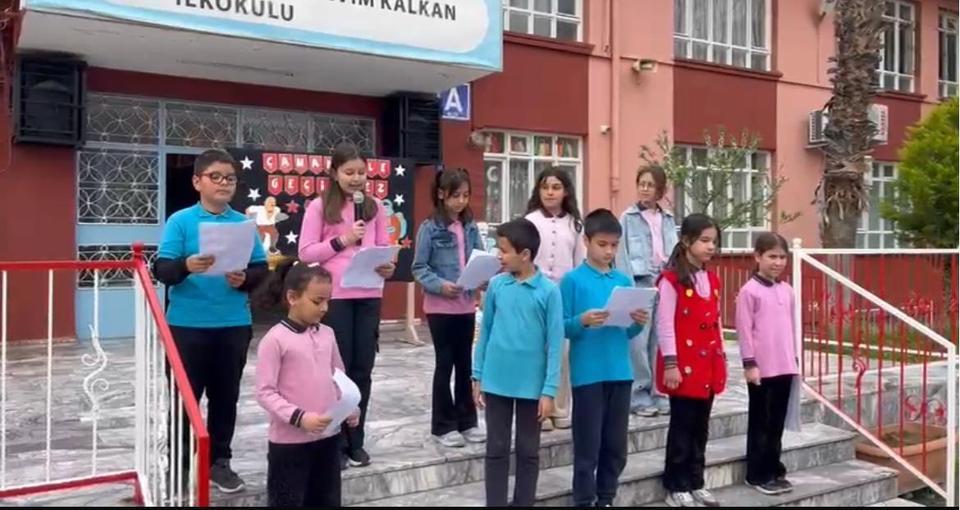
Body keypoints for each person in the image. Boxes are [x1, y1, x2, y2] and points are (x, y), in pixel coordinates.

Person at [153, 148, 268, 493]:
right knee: (184, 400)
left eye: (229, 178)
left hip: (233, 324)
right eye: (215, 177)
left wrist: (244, 278)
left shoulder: (243, 224)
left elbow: (260, 269)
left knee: (225, 398)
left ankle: (219, 462)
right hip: (187, 326)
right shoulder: (180, 221)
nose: (223, 183)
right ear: (197, 181)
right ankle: (180, 465)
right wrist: (186, 265)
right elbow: (162, 270)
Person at [298, 142, 396, 468]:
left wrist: (387, 266)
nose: (356, 179)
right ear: (334, 173)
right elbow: (306, 252)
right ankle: (334, 441)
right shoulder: (319, 207)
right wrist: (343, 240)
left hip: (368, 294)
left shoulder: (375, 207)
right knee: (337, 373)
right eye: (349, 172)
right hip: (335, 297)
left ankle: (356, 440)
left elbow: (382, 247)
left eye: (361, 172)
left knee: (362, 370)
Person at [472, 218, 564, 507]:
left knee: (528, 450)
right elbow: (485, 331)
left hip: (531, 387)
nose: (498, 256)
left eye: (504, 250)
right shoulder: (497, 286)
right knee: (496, 448)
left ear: (524, 254)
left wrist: (549, 390)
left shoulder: (549, 291)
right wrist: (477, 375)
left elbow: (555, 344)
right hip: (496, 381)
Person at [560, 208, 649, 507]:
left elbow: (628, 331)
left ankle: (607, 498)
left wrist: (638, 321)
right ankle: (584, 500)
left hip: (620, 372)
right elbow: (562, 326)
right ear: (586, 241)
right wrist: (582, 320)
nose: (609, 251)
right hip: (588, 374)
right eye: (602, 244)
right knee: (588, 444)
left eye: (614, 245)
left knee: (615, 445)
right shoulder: (572, 281)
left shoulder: (622, 280)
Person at [254, 260, 360, 507]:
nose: (324, 308)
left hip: (328, 438)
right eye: (317, 301)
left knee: (327, 500)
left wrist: (349, 406)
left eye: (327, 301)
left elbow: (338, 377)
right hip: (289, 445)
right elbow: (265, 392)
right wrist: (299, 417)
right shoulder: (274, 340)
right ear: (292, 297)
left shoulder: (328, 334)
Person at [411, 168, 487, 448]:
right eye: (456, 196)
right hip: (440, 307)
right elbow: (419, 267)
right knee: (445, 364)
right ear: (442, 194)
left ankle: (467, 421)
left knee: (465, 364)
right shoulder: (429, 228)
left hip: (466, 305)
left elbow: (480, 257)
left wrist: (483, 277)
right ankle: (443, 425)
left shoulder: (470, 226)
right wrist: (440, 285)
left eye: (466, 195)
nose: (461, 201)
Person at [656, 213, 725, 508]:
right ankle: (676, 484)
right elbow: (664, 325)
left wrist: (721, 358)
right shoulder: (671, 280)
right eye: (704, 240)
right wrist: (671, 364)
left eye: (714, 241)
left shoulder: (712, 278)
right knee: (682, 427)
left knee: (701, 427)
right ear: (686, 241)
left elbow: (716, 322)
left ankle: (697, 481)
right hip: (683, 366)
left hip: (707, 364)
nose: (710, 247)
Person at [736, 232, 798, 496]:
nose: (778, 262)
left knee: (777, 422)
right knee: (760, 422)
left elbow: (792, 328)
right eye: (772, 256)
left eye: (782, 257)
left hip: (786, 366)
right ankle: (756, 474)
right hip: (762, 368)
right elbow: (744, 330)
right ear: (757, 257)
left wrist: (795, 358)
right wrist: (750, 364)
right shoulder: (749, 291)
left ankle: (773, 468)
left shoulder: (788, 290)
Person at [524, 168, 586, 431]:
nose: (550, 192)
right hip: (534, 294)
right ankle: (537, 410)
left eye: (556, 187)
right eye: (545, 187)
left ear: (566, 192)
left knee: (561, 353)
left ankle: (559, 407)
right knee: (535, 351)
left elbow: (579, 263)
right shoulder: (530, 221)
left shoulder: (574, 224)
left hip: (562, 295)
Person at [616, 164, 678, 418]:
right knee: (638, 341)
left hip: (664, 282)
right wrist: (628, 287)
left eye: (650, 185)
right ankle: (639, 395)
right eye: (641, 184)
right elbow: (621, 255)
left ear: (660, 190)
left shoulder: (668, 219)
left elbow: (674, 252)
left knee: (661, 340)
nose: (645, 189)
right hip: (640, 282)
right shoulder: (627, 218)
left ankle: (660, 392)